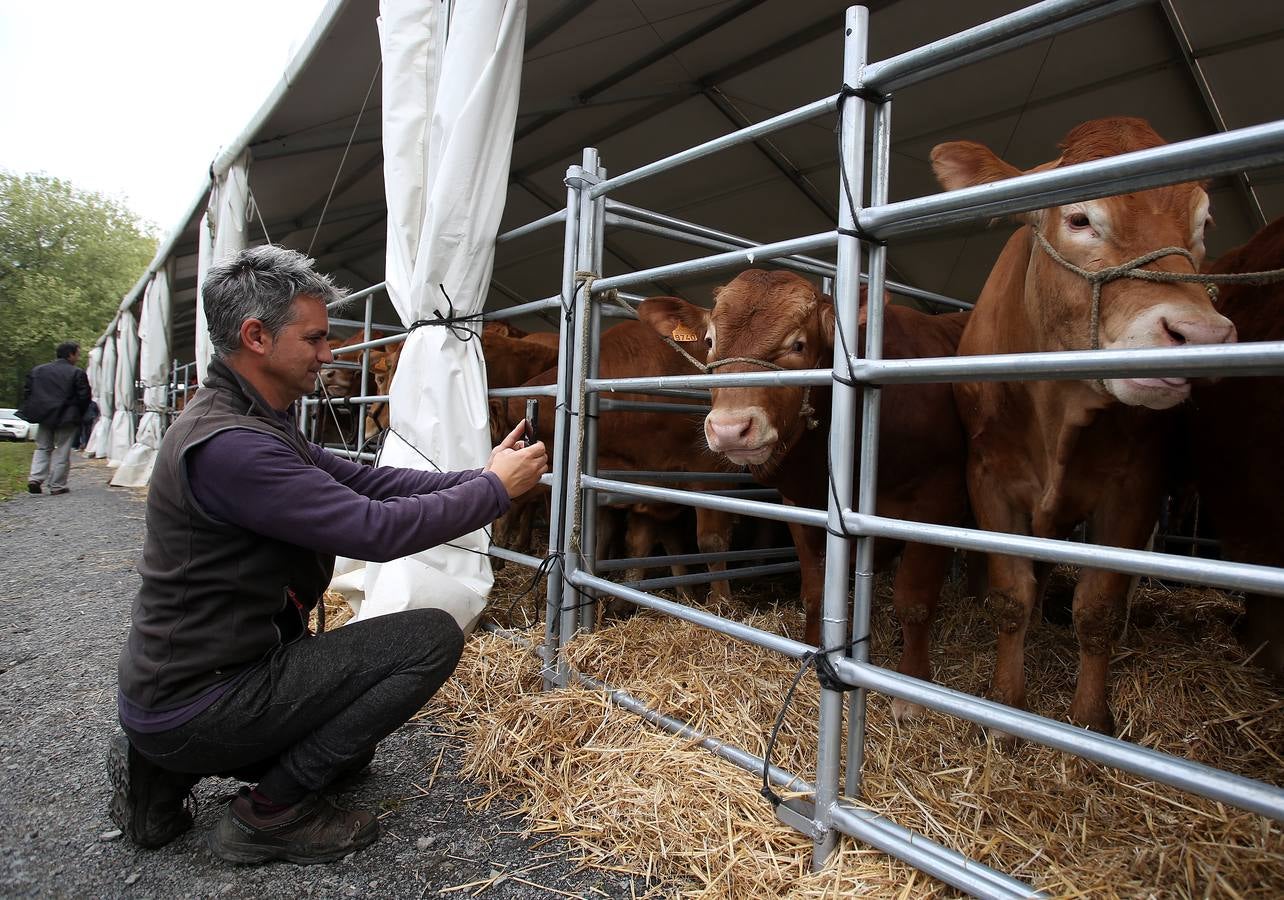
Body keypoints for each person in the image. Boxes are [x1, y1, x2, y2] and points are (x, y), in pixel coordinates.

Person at [110, 245, 547, 864]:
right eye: (315, 338)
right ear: (256, 336)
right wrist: (495, 491)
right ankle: (267, 815)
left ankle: (161, 775)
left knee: (351, 754)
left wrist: (475, 476)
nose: (330, 352)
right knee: (428, 637)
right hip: (204, 697)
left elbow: (365, 482)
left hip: (177, 686)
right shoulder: (236, 448)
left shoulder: (245, 419)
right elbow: (371, 528)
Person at [20, 340, 91, 494]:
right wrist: (79, 414)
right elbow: (84, 396)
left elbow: (27, 392)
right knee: (62, 450)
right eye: (77, 354)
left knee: (43, 447)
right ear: (70, 354)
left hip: (44, 415)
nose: (78, 358)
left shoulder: (38, 371)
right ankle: (57, 485)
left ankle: (35, 478)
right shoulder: (77, 373)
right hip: (67, 416)